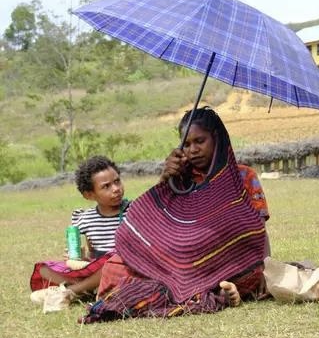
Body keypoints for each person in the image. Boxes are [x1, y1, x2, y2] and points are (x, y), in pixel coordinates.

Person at [82, 106, 269, 322]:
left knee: (251, 275)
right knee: (115, 266)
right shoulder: (180, 178)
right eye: (186, 144)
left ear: (217, 139)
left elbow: (258, 230)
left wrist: (266, 267)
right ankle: (214, 292)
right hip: (179, 264)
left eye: (200, 141)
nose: (193, 150)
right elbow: (158, 223)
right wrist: (165, 180)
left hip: (227, 263)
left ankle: (220, 291)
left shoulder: (243, 177)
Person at [29, 156, 129, 310]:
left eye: (117, 181)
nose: (116, 189)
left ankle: (70, 291)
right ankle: (87, 288)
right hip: (94, 268)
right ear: (89, 195)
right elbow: (91, 253)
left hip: (121, 268)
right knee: (44, 269)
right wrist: (79, 258)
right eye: (106, 186)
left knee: (115, 262)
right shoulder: (85, 218)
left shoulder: (134, 211)